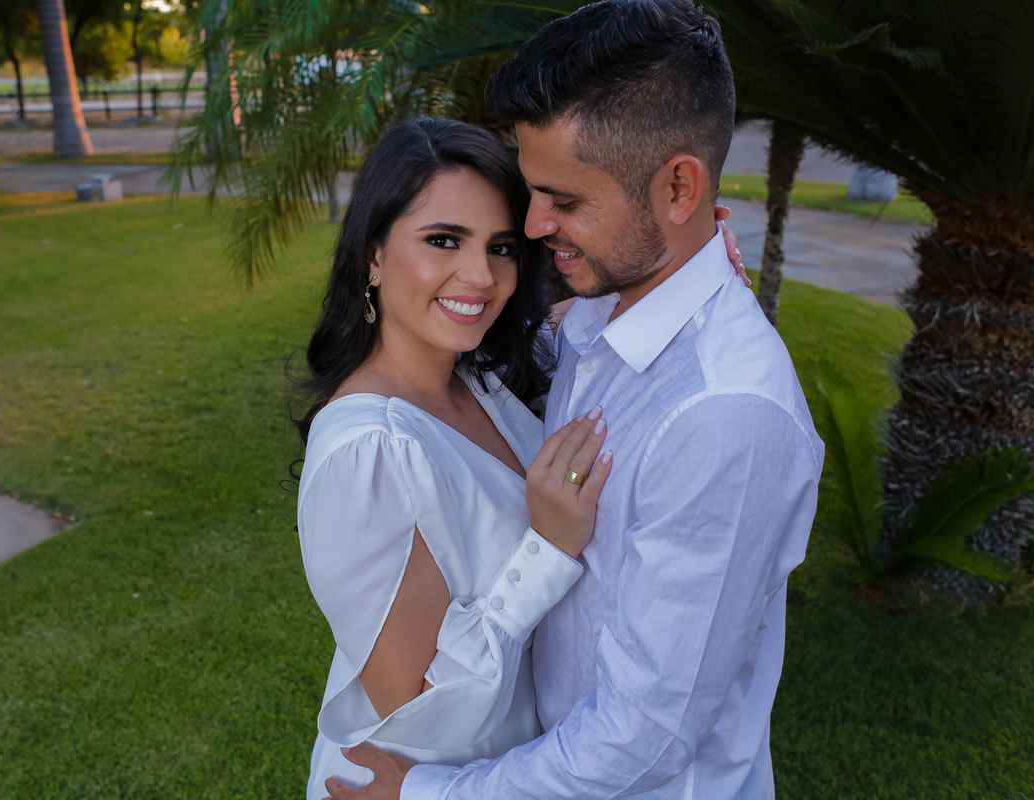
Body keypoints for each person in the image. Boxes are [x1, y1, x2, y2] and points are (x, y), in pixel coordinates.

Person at [323, 2, 824, 799]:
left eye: (564, 200)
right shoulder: (601, 321)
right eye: (531, 193)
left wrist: (428, 795)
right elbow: (502, 343)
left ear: (679, 188)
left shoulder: (722, 415)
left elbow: (645, 738)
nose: (533, 226)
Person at [296, 117, 747, 800]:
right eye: (443, 240)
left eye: (501, 247)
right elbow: (416, 704)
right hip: (414, 783)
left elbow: (578, 324)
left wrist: (692, 263)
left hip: (502, 772)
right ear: (374, 255)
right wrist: (547, 549)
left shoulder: (475, 376)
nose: (480, 277)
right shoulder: (370, 452)